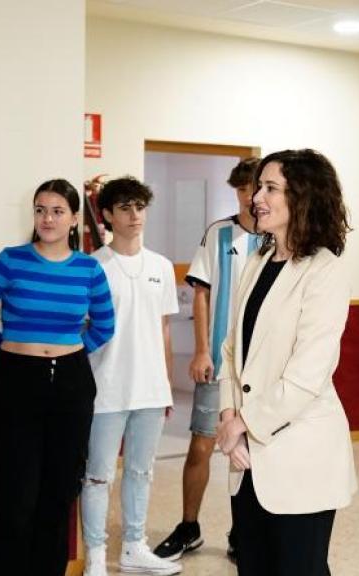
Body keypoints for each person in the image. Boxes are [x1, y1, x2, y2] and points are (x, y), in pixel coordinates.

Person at [216, 149, 355, 576]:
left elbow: (309, 372)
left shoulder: (324, 269)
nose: (256, 196)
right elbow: (230, 352)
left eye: (270, 188)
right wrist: (227, 417)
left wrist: (245, 422)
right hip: (248, 461)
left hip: (301, 457)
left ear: (303, 197)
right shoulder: (256, 261)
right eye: (259, 187)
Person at [0, 179, 114, 575]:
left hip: (71, 383)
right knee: (15, 494)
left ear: (74, 218)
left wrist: (70, 353)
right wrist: (0, 342)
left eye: (57, 211)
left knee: (58, 494)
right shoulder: (11, 260)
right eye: (40, 210)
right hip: (17, 378)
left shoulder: (89, 268)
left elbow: (104, 326)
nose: (47, 218)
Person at [154, 157, 260, 562]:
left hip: (260, 369)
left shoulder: (279, 238)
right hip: (218, 361)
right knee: (201, 445)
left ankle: (243, 533)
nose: (250, 197)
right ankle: (188, 526)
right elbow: (200, 292)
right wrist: (201, 350)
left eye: (255, 187)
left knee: (252, 452)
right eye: (242, 189)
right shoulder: (219, 233)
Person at [81, 177, 182, 576]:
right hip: (105, 387)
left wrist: (167, 386)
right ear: (107, 214)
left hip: (151, 389)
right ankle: (94, 554)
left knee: (142, 470)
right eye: (125, 208)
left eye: (140, 206)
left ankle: (134, 546)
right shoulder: (93, 266)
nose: (135, 215)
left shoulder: (160, 266)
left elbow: (164, 329)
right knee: (98, 474)